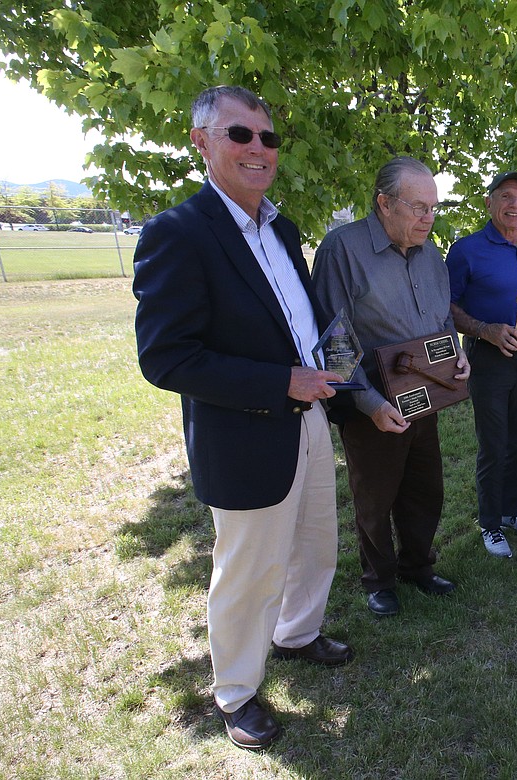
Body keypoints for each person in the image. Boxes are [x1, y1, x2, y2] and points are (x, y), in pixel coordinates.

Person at [133, 85, 352, 752]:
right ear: (201, 141)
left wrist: (331, 353)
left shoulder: (281, 227)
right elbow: (167, 357)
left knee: (317, 543)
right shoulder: (176, 234)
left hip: (309, 417)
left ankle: (297, 634)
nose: (258, 149)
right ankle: (235, 692)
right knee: (248, 571)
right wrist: (281, 380)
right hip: (245, 432)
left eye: (268, 138)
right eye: (240, 135)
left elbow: (297, 317)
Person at [312, 156, 469, 617]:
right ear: (384, 202)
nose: (428, 218)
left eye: (434, 208)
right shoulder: (343, 249)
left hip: (426, 387)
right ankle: (378, 580)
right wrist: (369, 402)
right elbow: (332, 338)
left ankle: (417, 566)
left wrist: (455, 354)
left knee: (425, 488)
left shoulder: (431, 253)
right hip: (372, 392)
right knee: (375, 495)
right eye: (418, 207)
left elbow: (441, 317)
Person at [446, 171, 517, 557]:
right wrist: (485, 330)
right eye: (506, 196)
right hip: (488, 356)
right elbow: (448, 307)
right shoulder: (466, 250)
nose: (514, 204)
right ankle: (490, 523)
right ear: (489, 203)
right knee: (493, 444)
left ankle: (512, 512)